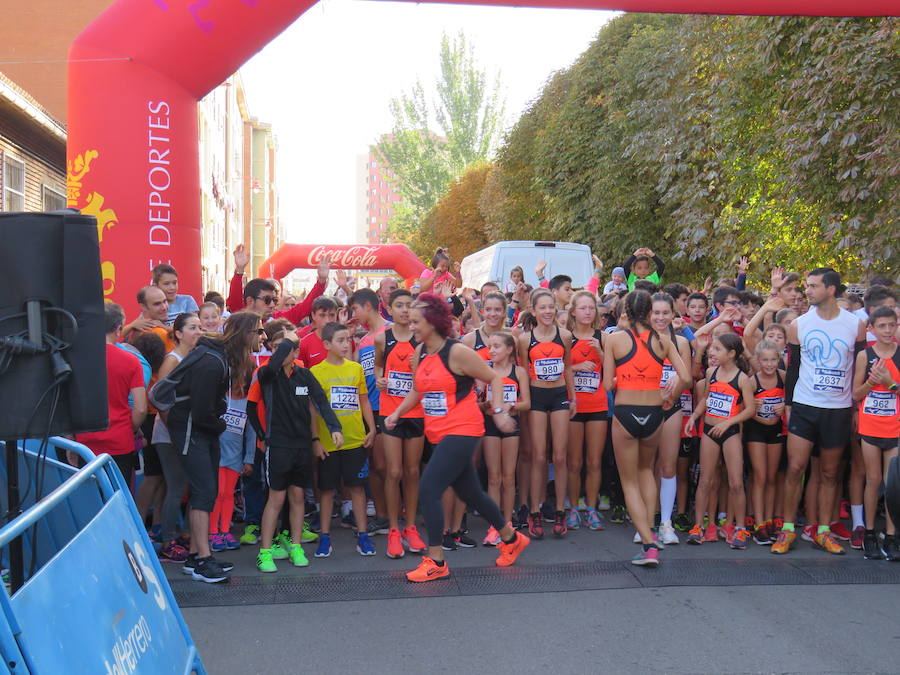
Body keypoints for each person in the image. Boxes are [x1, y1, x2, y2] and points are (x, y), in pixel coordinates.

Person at [384, 293, 530, 582]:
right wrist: (397, 413)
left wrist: (500, 413)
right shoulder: (421, 352)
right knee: (471, 492)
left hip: (463, 428)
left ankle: (436, 560)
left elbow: (495, 378)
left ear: (433, 321)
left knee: (428, 489)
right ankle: (511, 539)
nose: (411, 326)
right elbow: (418, 389)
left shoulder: (457, 352)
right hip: (439, 431)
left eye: (416, 321)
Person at [773, 268, 866, 556]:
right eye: (807, 286)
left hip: (837, 409)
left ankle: (823, 531)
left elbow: (859, 368)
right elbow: (794, 368)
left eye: (813, 286)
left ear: (831, 289)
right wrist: (788, 405)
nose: (807, 291)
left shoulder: (855, 325)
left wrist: (855, 408)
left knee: (829, 472)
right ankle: (788, 529)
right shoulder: (798, 324)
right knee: (796, 468)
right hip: (804, 405)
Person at [167, 311, 258, 583]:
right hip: (192, 430)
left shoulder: (221, 359)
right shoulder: (213, 362)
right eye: (258, 331)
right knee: (205, 492)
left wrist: (215, 419)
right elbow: (202, 409)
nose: (262, 336)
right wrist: (219, 424)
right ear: (245, 334)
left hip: (201, 429)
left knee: (204, 492)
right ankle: (203, 560)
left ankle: (197, 557)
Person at [603, 290, 690, 566]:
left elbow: (607, 384)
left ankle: (648, 543)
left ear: (625, 310)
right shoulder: (662, 340)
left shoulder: (615, 339)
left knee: (629, 481)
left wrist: (625, 377)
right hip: (654, 414)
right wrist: (669, 396)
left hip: (626, 413)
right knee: (646, 471)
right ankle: (651, 530)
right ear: (650, 311)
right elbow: (686, 377)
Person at [248, 325, 343, 572]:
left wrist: (334, 427)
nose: (284, 352)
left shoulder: (304, 375)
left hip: (301, 446)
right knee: (276, 498)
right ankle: (265, 552)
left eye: (290, 347)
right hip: (278, 444)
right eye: (279, 348)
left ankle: (296, 545)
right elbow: (271, 366)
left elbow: (321, 402)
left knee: (298, 497)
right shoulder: (268, 375)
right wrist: (285, 345)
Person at [311, 322, 378, 557]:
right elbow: (313, 408)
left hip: (355, 440)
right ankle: (325, 537)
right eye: (340, 340)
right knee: (327, 490)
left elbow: (364, 400)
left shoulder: (356, 369)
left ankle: (362, 536)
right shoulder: (316, 372)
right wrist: (315, 439)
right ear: (327, 344)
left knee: (357, 488)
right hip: (329, 443)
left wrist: (372, 429)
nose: (345, 344)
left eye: (348, 340)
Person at [686, 334, 757, 549]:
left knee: (735, 482)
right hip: (709, 430)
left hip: (730, 431)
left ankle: (740, 528)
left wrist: (728, 424)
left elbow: (751, 409)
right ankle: (698, 526)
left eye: (717, 349)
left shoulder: (742, 378)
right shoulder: (711, 373)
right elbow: (706, 399)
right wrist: (693, 416)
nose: (712, 353)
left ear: (732, 354)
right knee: (705, 480)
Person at [518, 288, 575, 538]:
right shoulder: (524, 339)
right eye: (542, 307)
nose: (548, 311)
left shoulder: (565, 335)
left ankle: (561, 510)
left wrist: (572, 398)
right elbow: (522, 371)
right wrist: (525, 400)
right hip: (537, 398)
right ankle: (534, 511)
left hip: (560, 395)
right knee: (539, 456)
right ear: (534, 311)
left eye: (551, 306)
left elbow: (569, 368)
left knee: (560, 456)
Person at [375, 289, 428, 558]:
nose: (405, 310)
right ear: (389, 308)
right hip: (390, 412)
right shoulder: (383, 339)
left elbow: (429, 378)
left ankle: (411, 527)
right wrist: (379, 379)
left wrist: (418, 367)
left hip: (416, 413)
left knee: (412, 472)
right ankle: (393, 530)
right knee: (393, 472)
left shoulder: (423, 340)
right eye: (400, 305)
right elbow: (376, 368)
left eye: (409, 305)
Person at [75, 302, 147, 483]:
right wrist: (130, 429)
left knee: (90, 497)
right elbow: (140, 409)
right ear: (118, 328)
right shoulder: (131, 361)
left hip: (85, 438)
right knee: (117, 495)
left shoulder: (77, 358)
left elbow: (69, 402)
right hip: (120, 439)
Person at [152, 312, 203, 564]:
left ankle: (175, 534)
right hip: (169, 433)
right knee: (177, 486)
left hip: (185, 430)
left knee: (182, 486)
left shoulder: (195, 356)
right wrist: (174, 425)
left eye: (199, 327)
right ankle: (167, 541)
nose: (198, 331)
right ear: (179, 334)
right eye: (192, 327)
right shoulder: (172, 360)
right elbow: (158, 396)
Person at [852, 306, 900, 560]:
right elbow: (855, 394)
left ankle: (891, 536)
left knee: (892, 483)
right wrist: (872, 382)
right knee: (873, 480)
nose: (887, 331)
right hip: (870, 427)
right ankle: (869, 531)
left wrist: (889, 383)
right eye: (882, 326)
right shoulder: (865, 355)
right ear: (871, 328)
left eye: (891, 325)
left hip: (894, 427)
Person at [648, 292, 692, 546]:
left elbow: (686, 378)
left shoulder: (682, 343)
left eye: (666, 313)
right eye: (656, 313)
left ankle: (666, 523)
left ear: (673, 315)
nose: (661, 317)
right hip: (644, 408)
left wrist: (670, 395)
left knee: (667, 465)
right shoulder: (641, 341)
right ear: (648, 314)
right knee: (647, 466)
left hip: (672, 407)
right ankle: (648, 521)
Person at [480, 331, 530, 544]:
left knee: (509, 477)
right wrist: (485, 405)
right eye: (490, 346)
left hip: (511, 425)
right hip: (491, 424)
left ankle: (507, 523)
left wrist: (511, 406)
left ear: (510, 349)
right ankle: (494, 524)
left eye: (497, 346)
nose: (491, 351)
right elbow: (478, 400)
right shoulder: (485, 370)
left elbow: (527, 403)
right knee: (494, 477)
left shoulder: (518, 372)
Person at [566, 290, 608, 531]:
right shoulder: (566, 337)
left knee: (594, 461)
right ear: (573, 311)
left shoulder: (603, 337)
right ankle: (573, 508)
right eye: (583, 308)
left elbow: (612, 370)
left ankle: (591, 509)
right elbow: (555, 370)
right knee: (574, 462)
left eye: (591, 308)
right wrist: (576, 365)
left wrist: (601, 352)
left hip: (597, 404)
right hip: (573, 404)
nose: (588, 312)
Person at [349, 287, 391, 534]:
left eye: (355, 308)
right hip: (368, 409)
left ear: (367, 306)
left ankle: (397, 517)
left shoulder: (392, 331)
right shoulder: (364, 339)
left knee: (389, 467)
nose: (354, 314)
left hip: (390, 407)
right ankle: (383, 516)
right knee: (375, 466)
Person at [744, 340, 787, 545]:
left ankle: (769, 521)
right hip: (757, 431)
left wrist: (783, 408)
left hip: (776, 431)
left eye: (773, 360)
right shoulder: (752, 381)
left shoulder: (783, 378)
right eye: (765, 360)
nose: (769, 364)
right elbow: (742, 408)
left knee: (771, 477)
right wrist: (753, 408)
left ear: (778, 359)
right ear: (758, 361)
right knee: (759, 476)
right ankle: (759, 523)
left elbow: (790, 401)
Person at [226, 243, 330, 324]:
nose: (272, 305)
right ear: (250, 301)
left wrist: (321, 281)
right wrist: (239, 270)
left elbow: (304, 308)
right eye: (267, 300)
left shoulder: (278, 320)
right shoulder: (240, 317)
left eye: (275, 300)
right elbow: (235, 299)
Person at [123, 286, 174, 352]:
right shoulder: (159, 333)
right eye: (157, 304)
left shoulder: (135, 327)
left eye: (165, 301)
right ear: (143, 307)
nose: (164, 307)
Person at [298, 296, 339, 367]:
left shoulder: (345, 339)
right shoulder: (304, 344)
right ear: (313, 315)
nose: (327, 320)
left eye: (332, 315)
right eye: (322, 315)